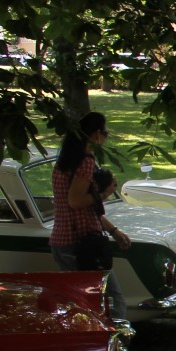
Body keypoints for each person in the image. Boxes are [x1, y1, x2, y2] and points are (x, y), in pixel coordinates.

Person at [50, 113, 130, 319]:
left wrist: (113, 230)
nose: (105, 138)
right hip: (82, 243)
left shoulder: (63, 162)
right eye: (105, 133)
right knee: (113, 298)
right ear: (95, 134)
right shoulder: (86, 162)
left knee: (75, 300)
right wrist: (105, 193)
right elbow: (76, 201)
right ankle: (117, 345)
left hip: (61, 240)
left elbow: (82, 208)